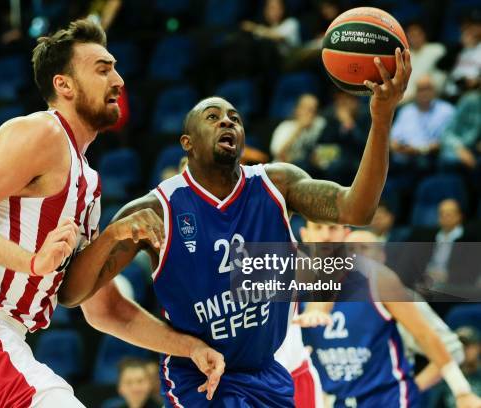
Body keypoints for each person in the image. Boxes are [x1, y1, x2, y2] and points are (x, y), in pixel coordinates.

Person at [60, 48, 413, 406]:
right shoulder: (158, 209)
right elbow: (72, 294)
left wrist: (381, 118)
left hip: (268, 374)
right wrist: (112, 235)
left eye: (235, 118)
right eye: (212, 117)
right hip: (198, 379)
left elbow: (358, 209)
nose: (227, 121)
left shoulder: (278, 185)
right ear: (188, 143)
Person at [0, 19, 224, 408]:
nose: (119, 79)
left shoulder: (87, 181)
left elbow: (100, 307)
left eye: (116, 67)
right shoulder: (41, 133)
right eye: (103, 68)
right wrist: (33, 261)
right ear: (64, 85)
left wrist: (188, 347)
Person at [299, 222, 481, 408]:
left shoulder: (380, 281)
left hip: (389, 398)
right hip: (339, 399)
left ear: (344, 235)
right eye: (318, 228)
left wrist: (461, 391)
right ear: (304, 234)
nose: (325, 236)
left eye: (332, 228)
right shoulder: (295, 286)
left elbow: (431, 337)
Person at [390, 74, 455, 176]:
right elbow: (393, 141)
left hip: (430, 160)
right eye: (421, 89)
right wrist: (398, 147)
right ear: (415, 92)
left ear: (435, 90)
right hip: (403, 161)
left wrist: (420, 150)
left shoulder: (446, 111)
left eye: (428, 89)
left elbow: (446, 141)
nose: (424, 93)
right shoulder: (406, 111)